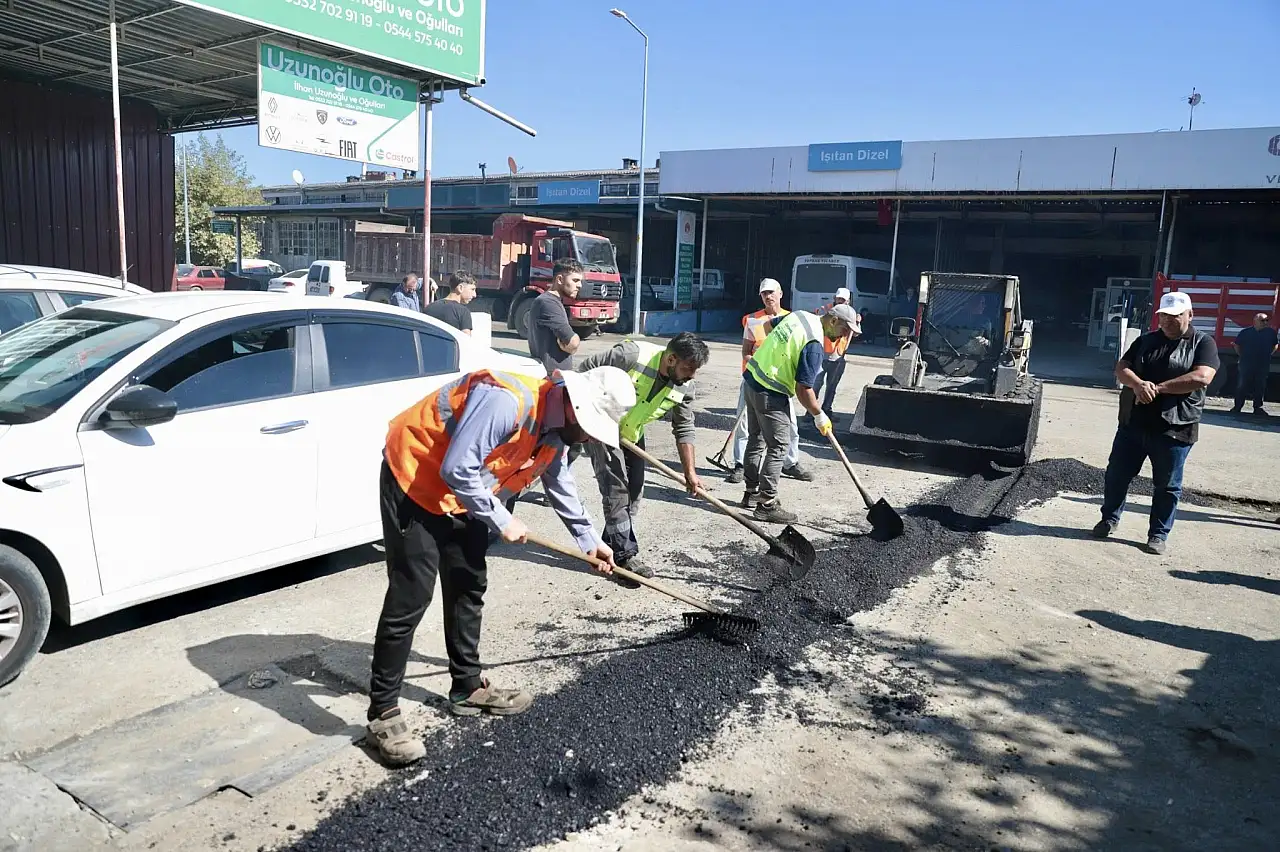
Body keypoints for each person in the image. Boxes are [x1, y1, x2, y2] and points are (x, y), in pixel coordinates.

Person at [367, 364, 637, 765]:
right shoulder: (506, 402)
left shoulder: (554, 432)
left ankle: (467, 688)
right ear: (572, 404)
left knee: (468, 585)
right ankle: (382, 713)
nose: (585, 436)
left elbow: (557, 479)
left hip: (465, 495)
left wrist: (589, 540)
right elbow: (457, 467)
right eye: (587, 426)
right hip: (416, 479)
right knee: (412, 596)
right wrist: (502, 519)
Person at [577, 332, 711, 580]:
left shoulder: (685, 385)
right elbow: (585, 371)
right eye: (688, 368)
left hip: (632, 431)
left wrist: (690, 473)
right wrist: (591, 416)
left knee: (636, 489)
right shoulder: (631, 356)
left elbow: (684, 428)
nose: (692, 375)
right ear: (671, 359)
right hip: (602, 426)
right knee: (616, 489)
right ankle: (624, 555)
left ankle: (609, 545)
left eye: (695, 370)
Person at [1093, 291, 1219, 556]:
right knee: (1117, 475)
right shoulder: (1146, 341)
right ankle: (1109, 519)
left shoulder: (1203, 343)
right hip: (1134, 424)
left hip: (1175, 428)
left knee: (1167, 485)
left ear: (1190, 315)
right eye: (1164, 316)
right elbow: (1122, 367)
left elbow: (1202, 377)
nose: (1168, 322)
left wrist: (1157, 389)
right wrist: (1138, 384)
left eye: (1175, 317)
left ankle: (1158, 534)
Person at [741, 305, 861, 523]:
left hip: (752, 381)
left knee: (756, 438)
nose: (845, 335)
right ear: (833, 320)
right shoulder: (814, 345)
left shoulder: (800, 316)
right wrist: (819, 414)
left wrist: (776, 353)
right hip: (770, 391)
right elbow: (803, 390)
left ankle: (750, 493)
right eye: (845, 329)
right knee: (778, 446)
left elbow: (768, 326)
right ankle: (766, 504)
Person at [726, 279, 811, 485]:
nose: (768, 296)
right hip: (754, 381)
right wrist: (757, 366)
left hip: (781, 383)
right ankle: (740, 465)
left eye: (771, 292)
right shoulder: (753, 320)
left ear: (781, 294)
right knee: (745, 426)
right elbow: (746, 352)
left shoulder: (792, 320)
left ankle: (790, 463)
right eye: (764, 293)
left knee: (789, 425)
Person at [813, 287, 862, 417]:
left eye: (843, 299)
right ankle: (810, 411)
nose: (840, 301)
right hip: (823, 354)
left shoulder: (851, 313)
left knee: (832, 386)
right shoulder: (826, 310)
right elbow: (818, 321)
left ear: (848, 301)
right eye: (838, 298)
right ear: (834, 298)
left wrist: (857, 322)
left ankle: (827, 409)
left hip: (839, 355)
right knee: (816, 385)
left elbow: (855, 334)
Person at [528, 259, 583, 374]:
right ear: (559, 279)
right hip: (552, 378)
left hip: (556, 376)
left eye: (580, 281)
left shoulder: (552, 301)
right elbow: (573, 342)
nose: (579, 285)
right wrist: (572, 345)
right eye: (575, 280)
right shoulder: (548, 303)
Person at [1231, 312, 1276, 416]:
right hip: (1246, 363)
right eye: (1262, 320)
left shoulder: (1270, 333)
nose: (1265, 322)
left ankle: (1258, 408)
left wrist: (1268, 355)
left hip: (1262, 364)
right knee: (1242, 385)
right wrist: (1242, 356)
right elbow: (1237, 346)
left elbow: (1275, 345)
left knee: (1260, 386)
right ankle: (1237, 407)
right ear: (1255, 321)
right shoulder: (1245, 332)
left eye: (1266, 320)